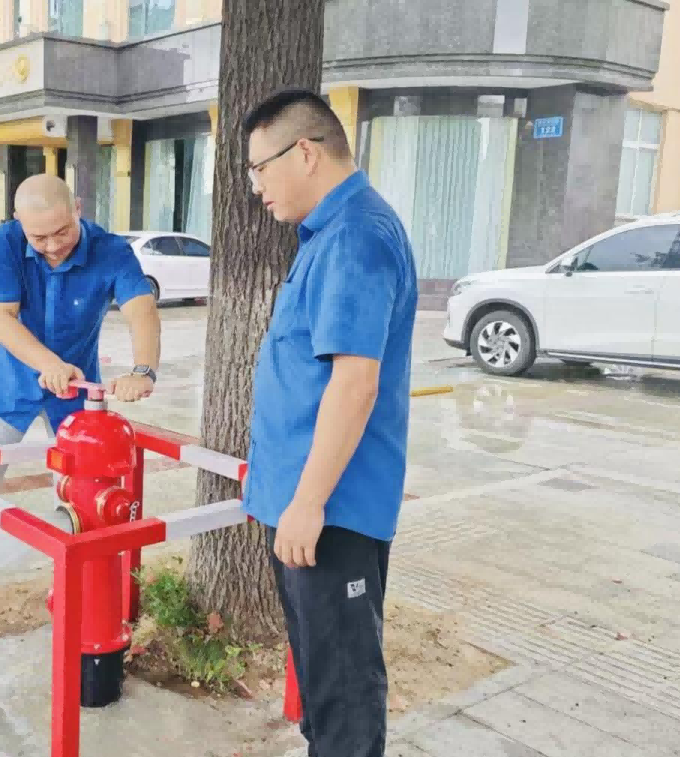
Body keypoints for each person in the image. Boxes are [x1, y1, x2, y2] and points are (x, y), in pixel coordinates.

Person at [240, 89, 418, 757]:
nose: (256, 186)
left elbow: (354, 382)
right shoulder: (326, 234)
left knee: (343, 697)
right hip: (305, 505)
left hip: (331, 513)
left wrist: (309, 501)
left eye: (259, 168)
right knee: (323, 683)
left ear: (306, 152)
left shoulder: (354, 237)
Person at [0, 174, 161, 531]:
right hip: (10, 384)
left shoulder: (111, 251)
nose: (52, 246)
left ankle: (67, 567)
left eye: (62, 232)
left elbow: (142, 310)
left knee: (73, 494)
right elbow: (1, 317)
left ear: (77, 208)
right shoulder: (6, 242)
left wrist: (143, 370)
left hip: (75, 393)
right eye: (39, 238)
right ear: (19, 221)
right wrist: (49, 364)